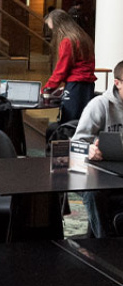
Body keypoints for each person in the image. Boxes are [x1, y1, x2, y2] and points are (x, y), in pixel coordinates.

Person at [71, 60, 123, 238]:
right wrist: (89, 150)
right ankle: (105, 244)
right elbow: (75, 144)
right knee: (94, 193)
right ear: (117, 83)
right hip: (97, 173)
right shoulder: (100, 105)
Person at [44, 9, 96, 124]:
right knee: (83, 122)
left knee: (69, 123)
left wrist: (47, 89)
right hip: (88, 86)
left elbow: (61, 70)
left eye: (53, 29)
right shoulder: (83, 37)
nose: (53, 32)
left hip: (75, 86)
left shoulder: (68, 41)